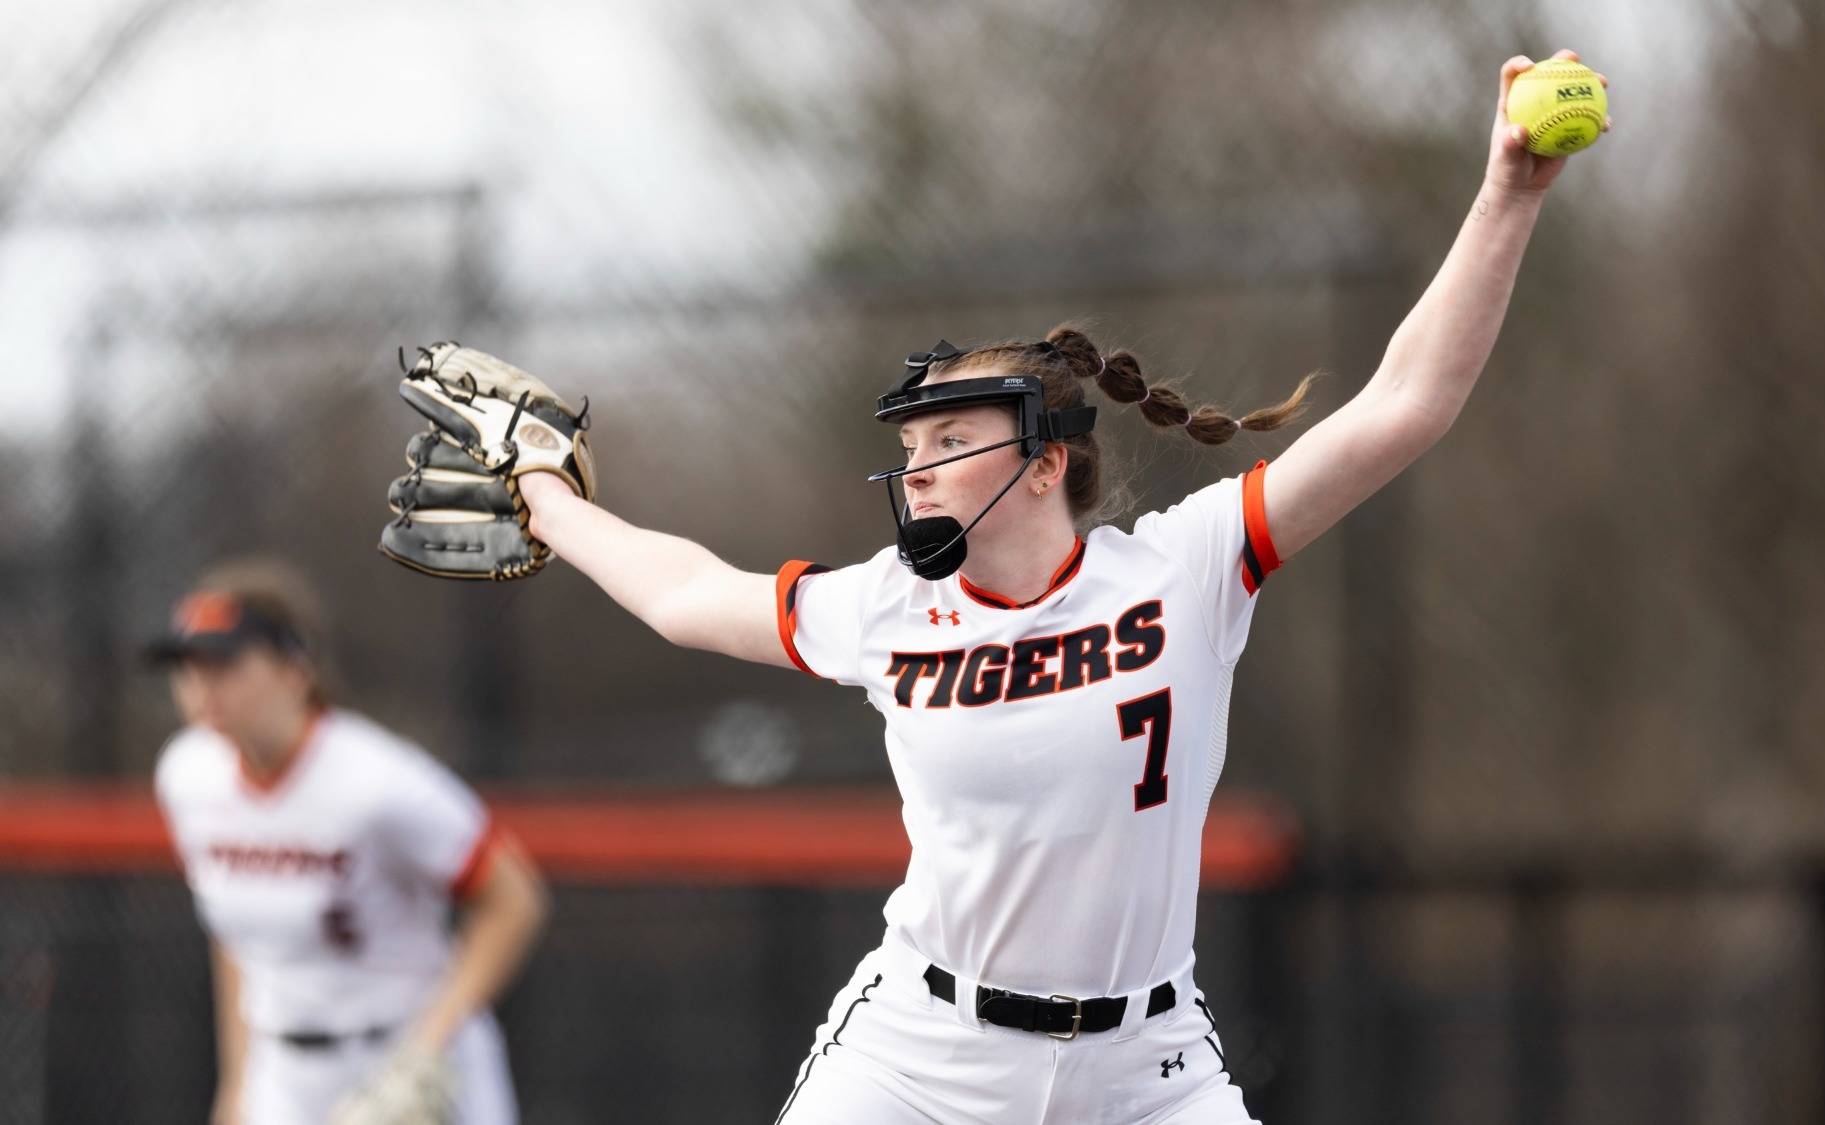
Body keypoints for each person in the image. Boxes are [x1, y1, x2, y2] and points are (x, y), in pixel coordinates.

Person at [506, 52, 1599, 1125]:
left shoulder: (1185, 568)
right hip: (919, 1058)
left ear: (1042, 464)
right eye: (910, 440)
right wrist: (548, 501)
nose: (916, 464)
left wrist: (1505, 193)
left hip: (1144, 1069)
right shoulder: (887, 607)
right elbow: (686, 596)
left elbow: (1402, 402)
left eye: (949, 435)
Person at [146, 559, 548, 1125]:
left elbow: (515, 898)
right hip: (284, 1077)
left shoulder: (377, 782)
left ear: (295, 671)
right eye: (186, 666)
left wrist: (424, 1051)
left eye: (225, 662)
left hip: (405, 1061)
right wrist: (237, 1083)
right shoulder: (187, 775)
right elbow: (239, 937)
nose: (200, 686)